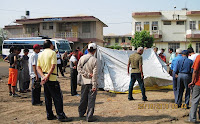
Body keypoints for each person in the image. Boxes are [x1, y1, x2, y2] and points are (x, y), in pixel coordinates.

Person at [37, 40, 72, 122]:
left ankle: (50, 115)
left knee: (47, 98)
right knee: (57, 98)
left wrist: (43, 76)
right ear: (50, 45)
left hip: (44, 78)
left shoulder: (40, 54)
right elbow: (53, 66)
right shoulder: (52, 53)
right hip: (52, 78)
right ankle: (61, 115)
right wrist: (48, 76)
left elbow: (38, 67)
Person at [77, 43, 97, 122]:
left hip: (84, 82)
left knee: (83, 98)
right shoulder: (94, 60)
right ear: (95, 51)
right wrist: (94, 84)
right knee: (91, 100)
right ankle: (89, 116)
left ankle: (81, 113)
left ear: (87, 50)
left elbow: (79, 69)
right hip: (91, 82)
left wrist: (86, 74)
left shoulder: (82, 58)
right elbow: (94, 74)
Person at [188, 55, 200, 123]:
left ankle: (192, 118)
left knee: (195, 100)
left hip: (198, 82)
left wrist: (192, 81)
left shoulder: (199, 57)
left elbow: (195, 70)